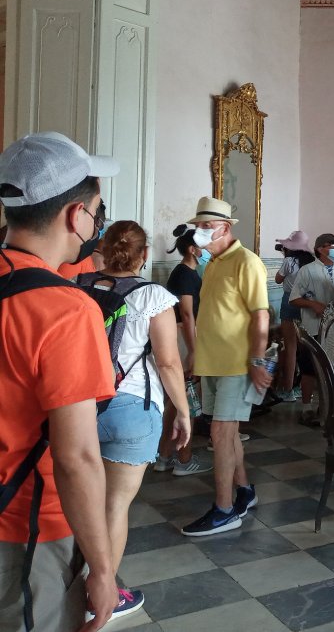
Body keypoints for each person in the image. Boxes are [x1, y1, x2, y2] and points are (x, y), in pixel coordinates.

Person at [0, 131, 120, 631]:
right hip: (28, 523)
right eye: (97, 208)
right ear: (77, 215)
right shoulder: (64, 310)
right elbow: (76, 458)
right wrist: (103, 566)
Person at [82, 221, 192, 619]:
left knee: (74, 500)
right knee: (115, 506)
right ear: (144, 254)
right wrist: (183, 411)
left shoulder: (81, 287)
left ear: (104, 250)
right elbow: (167, 361)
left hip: (78, 409)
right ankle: (104, 596)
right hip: (131, 410)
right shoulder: (153, 296)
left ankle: (70, 587)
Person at [181, 197, 270, 537]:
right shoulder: (214, 263)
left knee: (219, 434)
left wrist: (258, 361)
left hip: (237, 364)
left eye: (205, 227)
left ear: (225, 228)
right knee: (227, 434)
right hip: (214, 361)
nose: (200, 233)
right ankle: (244, 491)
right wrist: (196, 356)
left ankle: (223, 509)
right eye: (198, 226)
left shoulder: (247, 262)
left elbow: (260, 315)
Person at [155, 224, 213, 476]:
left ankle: (164, 456)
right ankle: (184, 458)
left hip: (183, 337)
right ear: (192, 249)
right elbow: (187, 315)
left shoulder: (188, 272)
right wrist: (193, 350)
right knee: (185, 400)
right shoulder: (185, 274)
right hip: (182, 338)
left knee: (175, 401)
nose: (207, 250)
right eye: (203, 246)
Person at [290, 233, 334, 426]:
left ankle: (329, 405)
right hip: (313, 326)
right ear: (319, 249)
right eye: (330, 245)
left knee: (333, 368)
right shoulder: (307, 271)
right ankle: (307, 407)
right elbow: (294, 298)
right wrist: (312, 304)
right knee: (310, 368)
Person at [273, 230, 313, 401]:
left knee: (290, 347)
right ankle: (304, 389)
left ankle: (288, 389)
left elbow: (277, 279)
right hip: (307, 304)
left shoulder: (289, 261)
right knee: (307, 348)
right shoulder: (312, 261)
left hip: (290, 302)